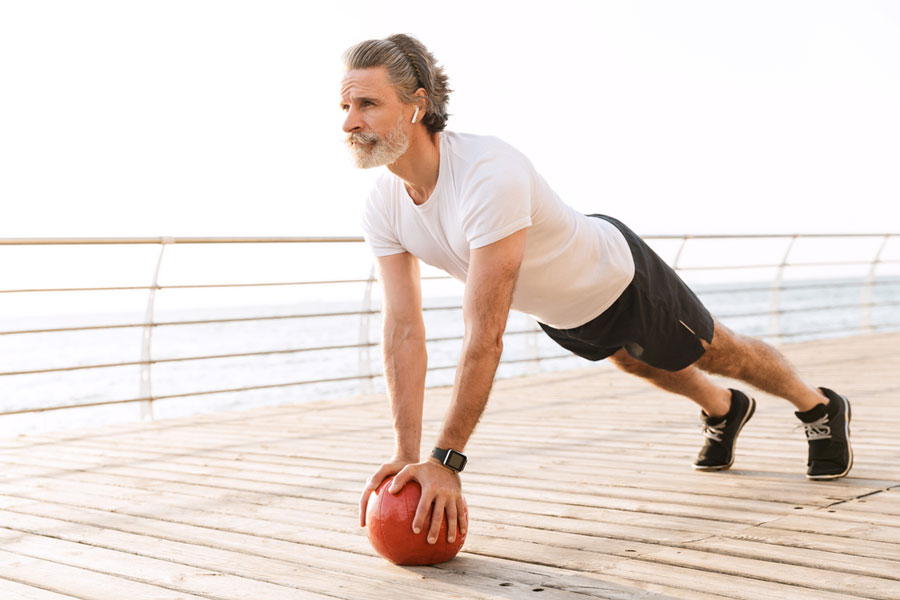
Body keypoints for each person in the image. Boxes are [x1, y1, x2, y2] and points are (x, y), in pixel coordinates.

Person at [341, 34, 853, 547]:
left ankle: (818, 407)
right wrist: (407, 455)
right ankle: (724, 409)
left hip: (619, 278)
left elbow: (486, 336)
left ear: (417, 105)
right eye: (345, 106)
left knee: (720, 351)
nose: (349, 122)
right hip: (564, 312)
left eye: (367, 104)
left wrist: (446, 461)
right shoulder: (382, 206)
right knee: (633, 360)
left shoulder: (486, 173)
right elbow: (404, 331)